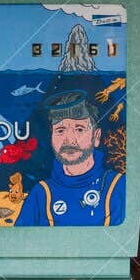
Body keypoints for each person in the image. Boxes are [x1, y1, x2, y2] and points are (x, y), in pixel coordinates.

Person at [13, 89, 125, 226]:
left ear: (96, 137)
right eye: (60, 131)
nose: (69, 140)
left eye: (79, 129)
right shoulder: (41, 194)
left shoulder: (119, 187)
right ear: (52, 137)